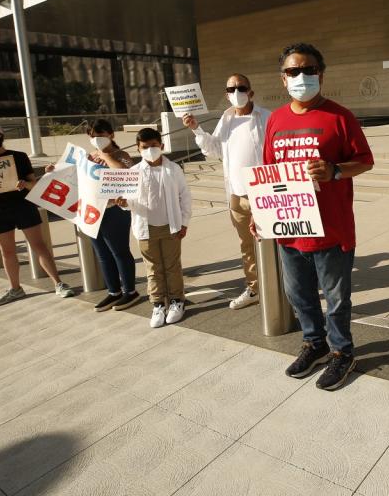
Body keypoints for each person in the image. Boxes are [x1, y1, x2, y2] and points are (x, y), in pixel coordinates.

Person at [251, 42, 374, 391]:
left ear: (321, 73)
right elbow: (268, 171)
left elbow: (364, 161)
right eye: (293, 71)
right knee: (300, 296)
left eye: (308, 70)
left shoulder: (340, 116)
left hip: (331, 230)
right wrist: (260, 212)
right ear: (283, 78)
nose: (301, 77)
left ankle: (342, 352)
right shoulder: (276, 119)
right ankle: (314, 343)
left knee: (335, 301)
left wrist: (335, 170)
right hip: (289, 229)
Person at [0, 121, 76, 306]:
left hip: (23, 206)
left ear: (2, 134)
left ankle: (59, 284)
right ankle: (15, 289)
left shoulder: (19, 157)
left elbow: (34, 185)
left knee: (39, 246)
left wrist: (24, 184)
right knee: (7, 252)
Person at [182, 74, 270, 310]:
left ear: (251, 92)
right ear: (226, 94)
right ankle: (254, 288)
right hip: (237, 195)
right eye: (231, 89)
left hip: (264, 194)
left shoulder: (266, 117)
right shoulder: (227, 117)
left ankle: (279, 289)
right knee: (246, 245)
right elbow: (215, 150)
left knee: (274, 244)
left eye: (241, 88)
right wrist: (196, 129)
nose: (236, 92)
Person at [48, 120, 139, 311]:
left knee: (119, 252)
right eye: (92, 136)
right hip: (92, 211)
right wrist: (54, 172)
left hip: (114, 210)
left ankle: (130, 291)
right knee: (103, 254)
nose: (96, 139)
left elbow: (127, 173)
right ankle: (114, 291)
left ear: (111, 135)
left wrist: (106, 156)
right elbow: (74, 177)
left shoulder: (121, 155)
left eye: (100, 135)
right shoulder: (88, 157)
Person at [117, 128, 192, 328]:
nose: (150, 150)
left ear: (162, 146)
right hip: (145, 227)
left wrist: (184, 223)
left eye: (153, 146)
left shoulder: (174, 169)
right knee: (152, 268)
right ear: (138, 149)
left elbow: (184, 197)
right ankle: (158, 303)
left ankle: (177, 301)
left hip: (171, 226)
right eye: (145, 147)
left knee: (172, 266)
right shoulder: (133, 172)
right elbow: (130, 202)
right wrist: (123, 203)